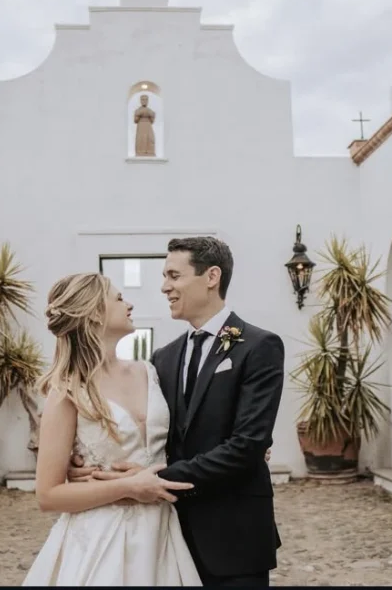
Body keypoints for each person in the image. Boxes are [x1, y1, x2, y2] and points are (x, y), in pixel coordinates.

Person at [71, 237, 285, 586]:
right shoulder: (163, 358)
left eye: (173, 275)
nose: (164, 286)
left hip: (234, 534)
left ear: (211, 276)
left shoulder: (259, 346)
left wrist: (159, 477)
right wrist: (83, 463)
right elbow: (150, 433)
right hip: (166, 533)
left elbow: (248, 444)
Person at [22, 272, 202, 586]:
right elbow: (48, 495)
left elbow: (180, 439)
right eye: (119, 298)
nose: (129, 304)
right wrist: (128, 487)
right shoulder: (67, 391)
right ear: (93, 313)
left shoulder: (149, 370)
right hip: (101, 538)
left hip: (162, 531)